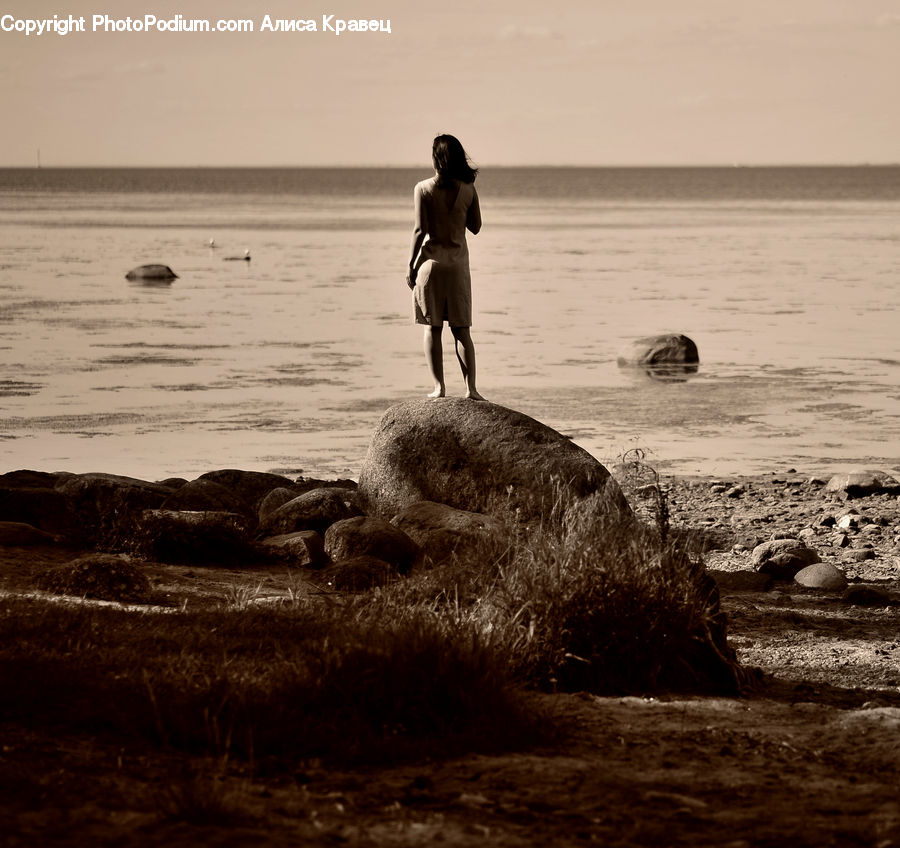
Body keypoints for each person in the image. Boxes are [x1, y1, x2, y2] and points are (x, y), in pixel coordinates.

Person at [406, 134, 484, 400]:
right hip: (458, 267)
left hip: (431, 267)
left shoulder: (423, 189)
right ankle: (471, 389)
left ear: (436, 159)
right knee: (462, 330)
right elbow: (475, 227)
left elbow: (420, 230)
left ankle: (439, 388)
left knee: (433, 327)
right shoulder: (468, 189)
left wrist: (410, 265)